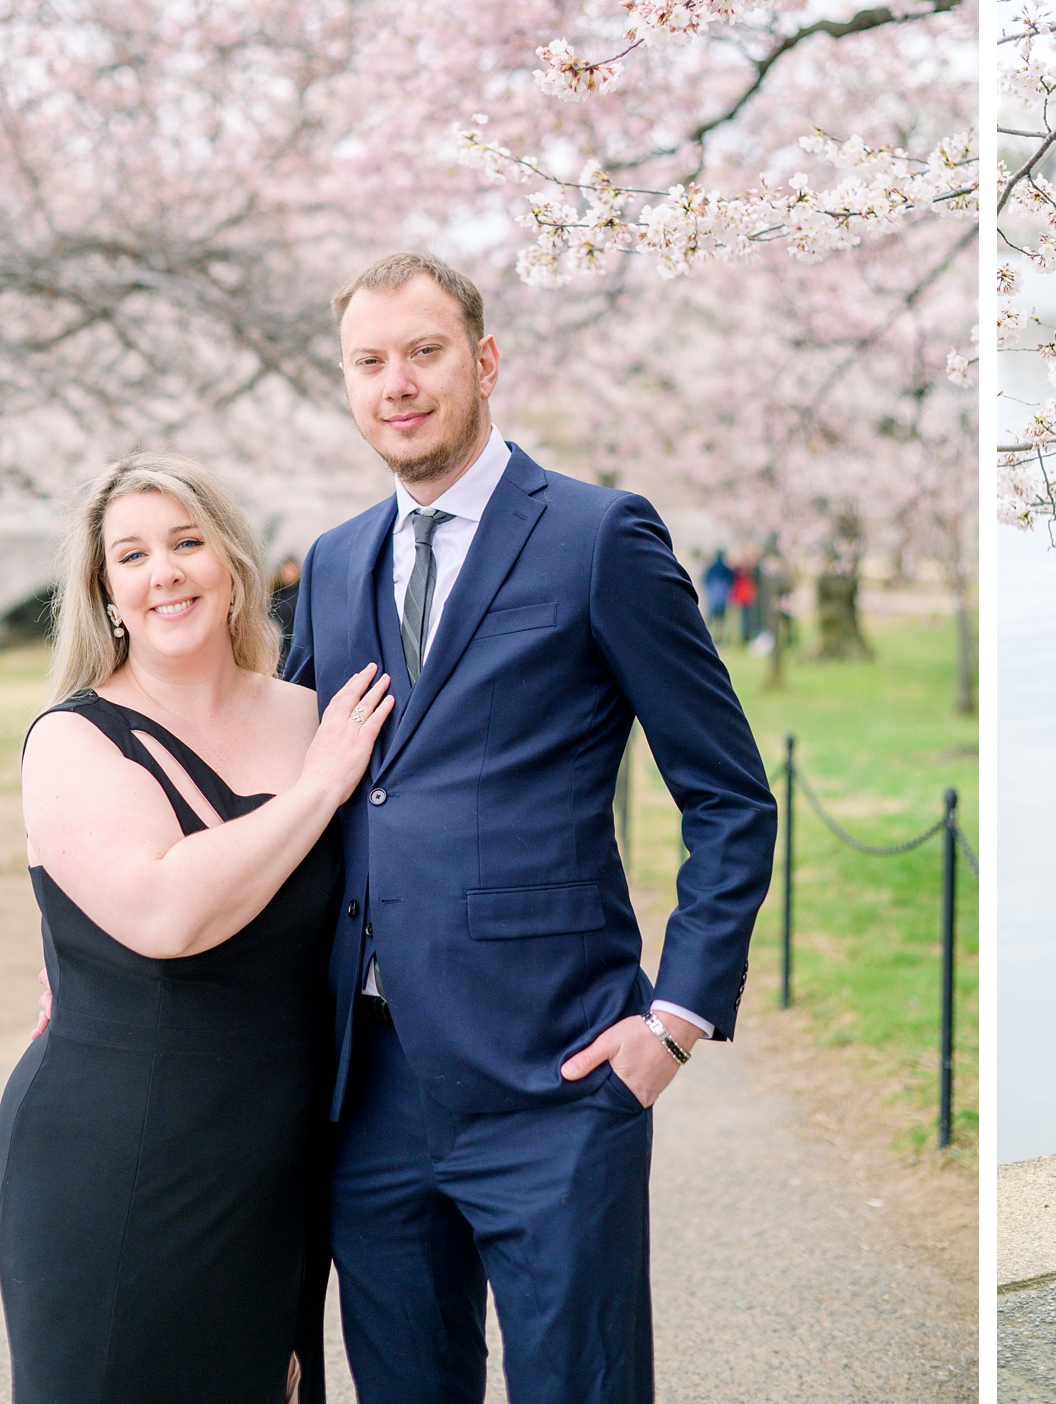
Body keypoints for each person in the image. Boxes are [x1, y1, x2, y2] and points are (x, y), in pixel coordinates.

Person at [287, 252, 776, 1404]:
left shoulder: (598, 537)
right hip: (369, 1090)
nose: (397, 383)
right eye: (370, 362)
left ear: (485, 360)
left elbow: (728, 795)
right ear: (348, 386)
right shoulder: (331, 562)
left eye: (424, 352)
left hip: (556, 1076)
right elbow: (282, 795)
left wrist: (674, 1020)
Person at [0, 454, 392, 1403]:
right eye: (130, 555)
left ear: (232, 563)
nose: (164, 571)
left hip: (278, 1157)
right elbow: (166, 914)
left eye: (185, 542)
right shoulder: (73, 738)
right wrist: (321, 788)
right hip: (118, 1152)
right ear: (107, 594)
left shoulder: (313, 716)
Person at [269, 554, 303, 641]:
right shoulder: (276, 595)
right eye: (286, 570)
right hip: (281, 641)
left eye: (291, 570)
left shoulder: (301, 594)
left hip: (298, 638)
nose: (289, 573)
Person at [700, 548, 735, 636]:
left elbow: (705, 580)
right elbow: (731, 581)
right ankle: (719, 636)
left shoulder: (711, 568)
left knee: (710, 618)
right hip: (722, 597)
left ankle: (706, 635)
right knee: (721, 619)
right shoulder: (726, 568)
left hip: (712, 596)